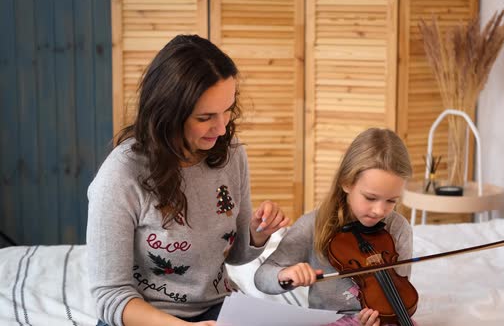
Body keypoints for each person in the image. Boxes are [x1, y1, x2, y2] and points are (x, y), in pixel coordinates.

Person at [86, 34, 290, 326]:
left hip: (216, 309)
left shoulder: (232, 155)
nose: (221, 129)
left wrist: (259, 233)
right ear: (168, 113)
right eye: (205, 117)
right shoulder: (121, 174)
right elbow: (110, 295)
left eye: (228, 110)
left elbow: (235, 256)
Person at [254, 127, 415, 326]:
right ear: (346, 182)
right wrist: (284, 275)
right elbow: (261, 277)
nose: (379, 211)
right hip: (330, 320)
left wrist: (385, 316)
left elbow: (401, 289)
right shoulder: (312, 225)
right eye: (370, 198)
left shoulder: (398, 228)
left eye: (391, 200)